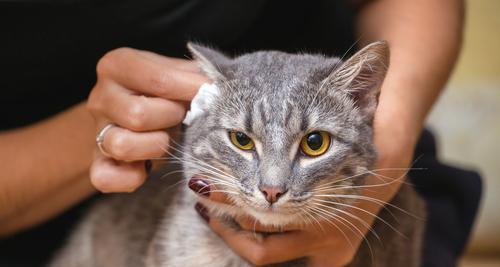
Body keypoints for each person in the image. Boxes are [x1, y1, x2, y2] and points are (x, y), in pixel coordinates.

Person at [0, 0, 481, 266]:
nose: (273, 186)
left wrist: (387, 152)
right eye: (245, 142)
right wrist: (106, 133)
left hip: (360, 179)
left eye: (311, 146)